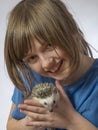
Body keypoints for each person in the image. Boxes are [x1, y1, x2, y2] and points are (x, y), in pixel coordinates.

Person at [4, 0, 98, 130]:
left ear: (72, 30)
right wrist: (31, 122)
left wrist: (72, 121)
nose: (46, 63)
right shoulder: (31, 76)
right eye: (32, 57)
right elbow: (11, 125)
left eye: (49, 45)